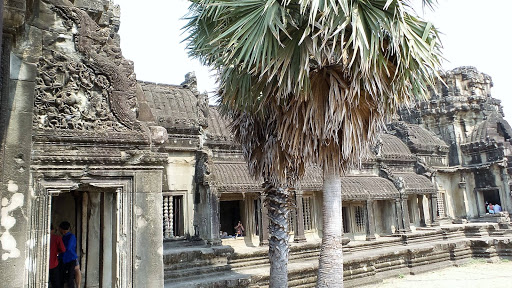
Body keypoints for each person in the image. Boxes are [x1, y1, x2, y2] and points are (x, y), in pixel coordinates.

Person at [59, 221, 78, 288]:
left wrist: (59, 251)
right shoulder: (64, 237)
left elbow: (68, 247)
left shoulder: (71, 237)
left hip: (70, 259)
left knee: (70, 277)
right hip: (64, 259)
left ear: (62, 229)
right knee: (62, 277)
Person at [49, 224, 65, 288]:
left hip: (41, 264)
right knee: (55, 282)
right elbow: (63, 249)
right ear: (52, 230)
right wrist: (57, 252)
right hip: (53, 263)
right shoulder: (57, 238)